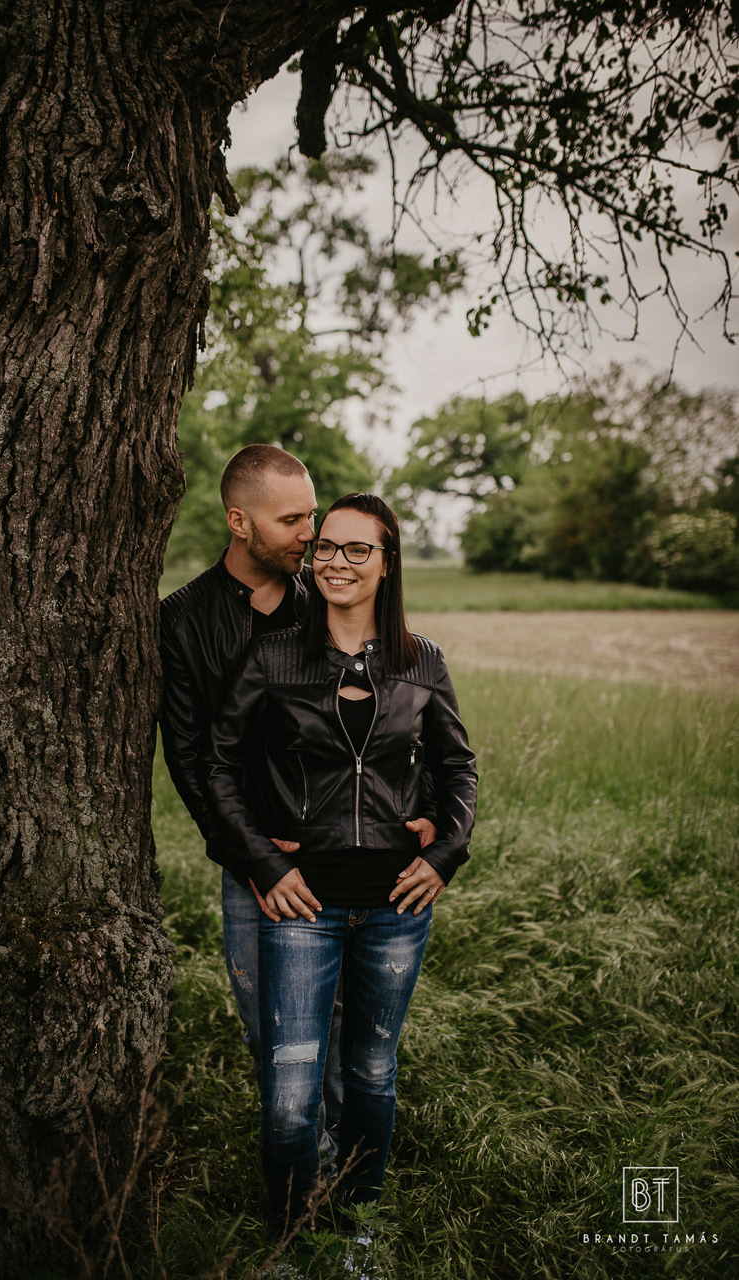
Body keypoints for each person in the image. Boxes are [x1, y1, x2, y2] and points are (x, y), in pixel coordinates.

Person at [207, 492, 478, 1244]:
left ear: (387, 565)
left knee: (371, 1074)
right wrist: (262, 860)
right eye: (327, 546)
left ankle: (357, 1233)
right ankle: (294, 1242)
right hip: (302, 905)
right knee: (291, 1095)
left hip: (397, 908)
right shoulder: (274, 656)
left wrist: (446, 852)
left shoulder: (422, 661)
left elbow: (458, 768)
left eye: (359, 549)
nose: (336, 561)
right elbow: (220, 766)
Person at [159, 446, 437, 1161]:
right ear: (239, 522)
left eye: (313, 516)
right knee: (274, 1034)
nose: (311, 536)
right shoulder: (184, 620)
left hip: (336, 859)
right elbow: (191, 759)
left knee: (345, 1028)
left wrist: (429, 813)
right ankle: (305, 1173)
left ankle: (346, 1174)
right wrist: (253, 858)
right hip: (251, 862)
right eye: (292, 521)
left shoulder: (328, 600)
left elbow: (400, 723)